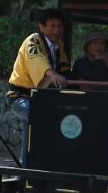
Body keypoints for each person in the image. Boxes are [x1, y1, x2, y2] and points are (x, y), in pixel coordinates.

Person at [7, 9, 69, 162]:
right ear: (41, 27)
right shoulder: (33, 40)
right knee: (43, 119)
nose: (56, 29)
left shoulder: (58, 46)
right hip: (20, 98)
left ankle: (24, 172)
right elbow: (37, 60)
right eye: (52, 26)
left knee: (29, 136)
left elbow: (66, 69)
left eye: (59, 26)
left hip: (40, 100)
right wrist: (51, 74)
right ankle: (37, 166)